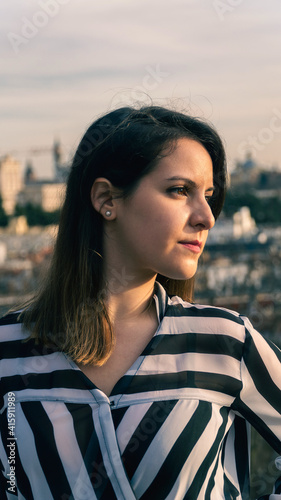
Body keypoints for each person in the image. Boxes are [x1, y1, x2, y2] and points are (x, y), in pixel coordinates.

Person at [0, 105, 280, 500]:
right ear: (106, 199)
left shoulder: (224, 342)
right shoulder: (6, 350)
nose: (206, 217)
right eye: (180, 190)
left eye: (209, 195)